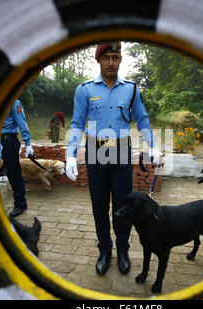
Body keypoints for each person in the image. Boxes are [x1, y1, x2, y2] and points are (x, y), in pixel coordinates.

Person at [65, 42, 159, 276]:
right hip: (96, 150)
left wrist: (152, 145)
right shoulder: (85, 89)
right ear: (98, 60)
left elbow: (143, 119)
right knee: (99, 206)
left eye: (115, 57)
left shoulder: (131, 89)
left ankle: (123, 250)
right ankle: (104, 250)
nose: (110, 62)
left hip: (121, 150)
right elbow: (77, 124)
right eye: (106, 57)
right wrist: (70, 154)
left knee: (123, 205)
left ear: (120, 59)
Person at [0, 99, 34, 217]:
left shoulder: (14, 103)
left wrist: (28, 144)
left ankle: (20, 203)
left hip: (9, 141)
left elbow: (22, 123)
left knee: (13, 173)